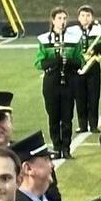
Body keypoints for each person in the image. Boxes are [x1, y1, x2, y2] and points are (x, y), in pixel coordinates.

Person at [36, 8, 83, 160]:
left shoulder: (74, 38)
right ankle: (57, 147)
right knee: (53, 117)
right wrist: (53, 61)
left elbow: (80, 60)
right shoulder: (44, 39)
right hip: (51, 82)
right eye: (59, 18)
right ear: (53, 20)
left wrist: (70, 62)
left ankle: (66, 148)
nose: (62, 21)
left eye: (64, 18)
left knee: (67, 116)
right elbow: (38, 62)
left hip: (69, 81)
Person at [66, 5, 101, 133]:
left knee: (94, 97)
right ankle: (82, 125)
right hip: (77, 68)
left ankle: (94, 125)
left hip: (93, 67)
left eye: (88, 15)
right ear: (79, 18)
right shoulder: (72, 31)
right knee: (79, 97)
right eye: (83, 15)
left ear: (92, 17)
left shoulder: (99, 30)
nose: (85, 18)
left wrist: (99, 49)